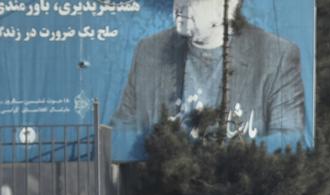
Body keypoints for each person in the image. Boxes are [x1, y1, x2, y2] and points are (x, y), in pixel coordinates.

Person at [112, 0, 306, 146]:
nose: (181, 4)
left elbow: (289, 140)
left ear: (225, 7)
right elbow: (124, 127)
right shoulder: (150, 50)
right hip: (164, 179)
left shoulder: (276, 55)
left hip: (234, 183)